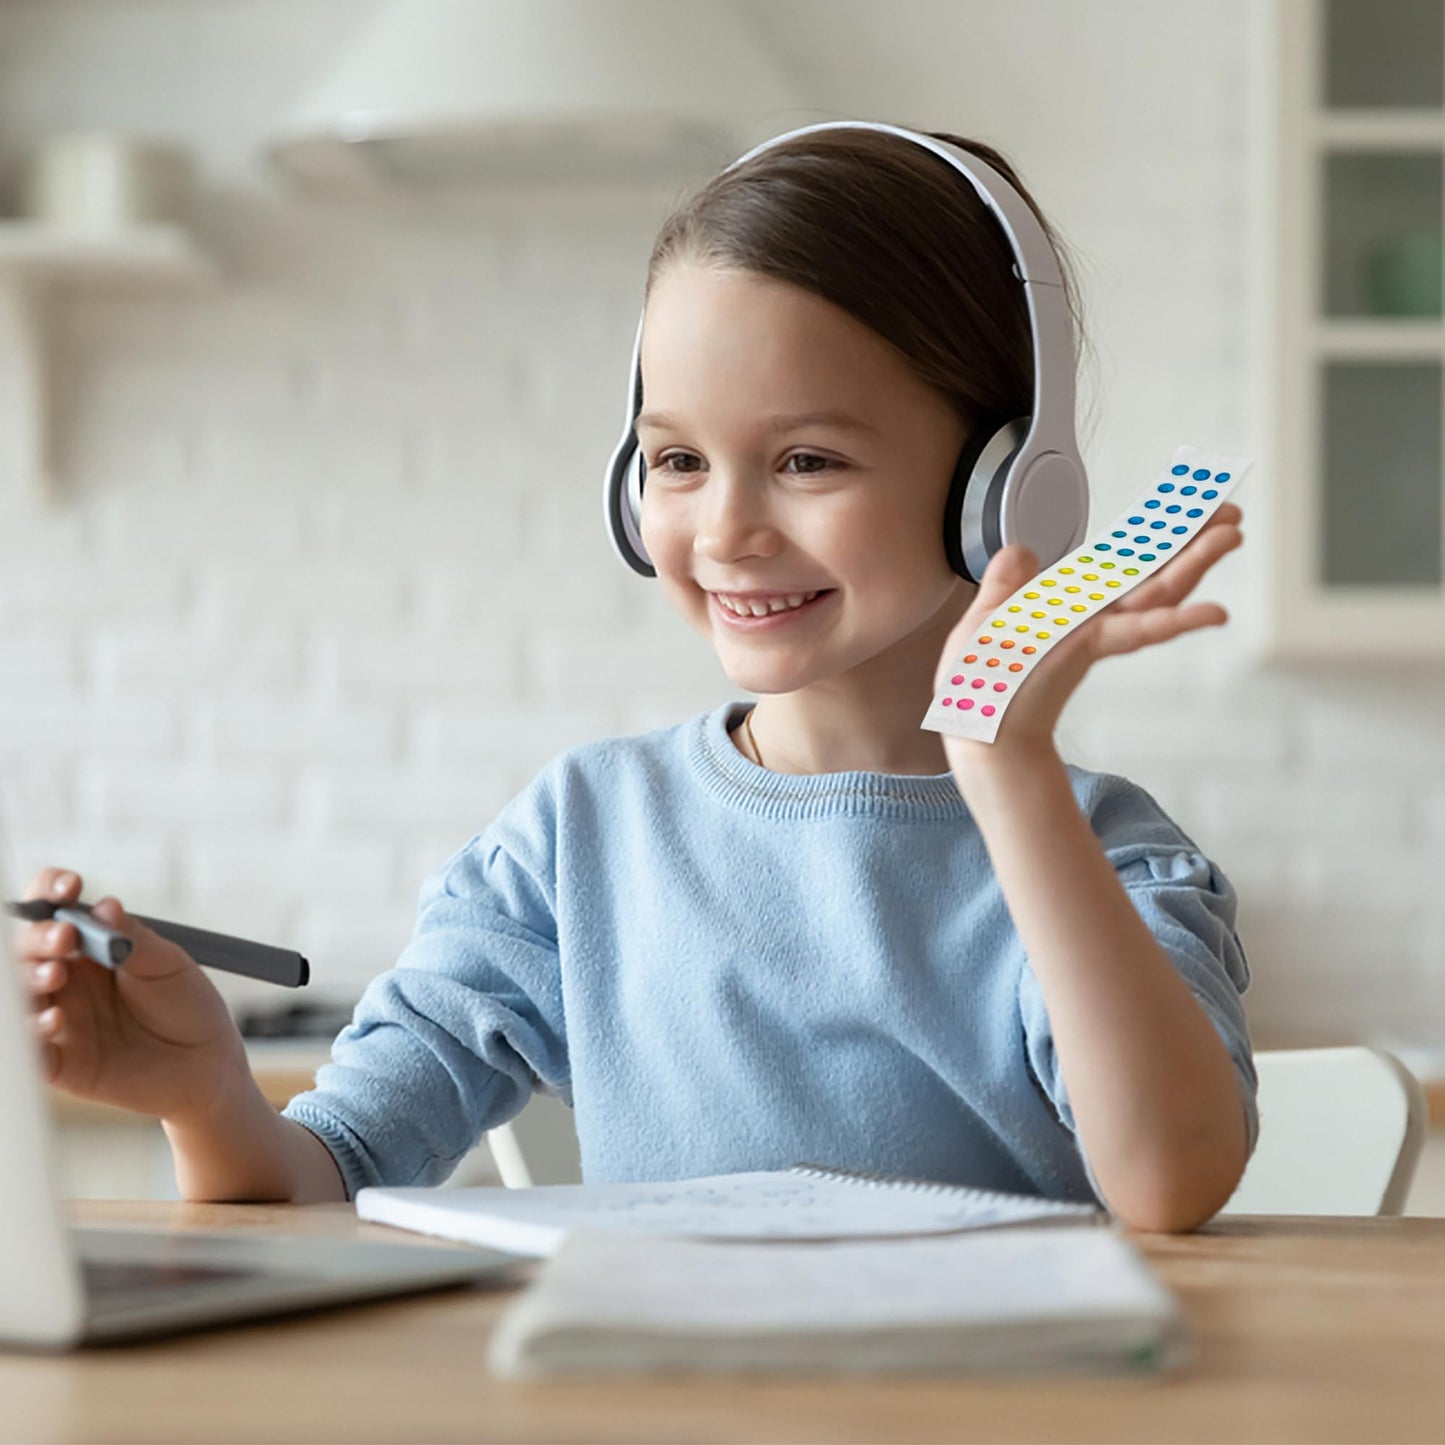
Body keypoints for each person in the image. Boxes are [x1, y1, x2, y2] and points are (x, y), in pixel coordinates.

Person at [16, 123, 1255, 1234]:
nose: (725, 530)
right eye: (674, 459)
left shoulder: (1107, 855)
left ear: (1004, 487)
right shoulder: (578, 837)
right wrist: (204, 1094)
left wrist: (1007, 766)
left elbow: (1167, 1179)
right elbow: (327, 1171)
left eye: (807, 458)